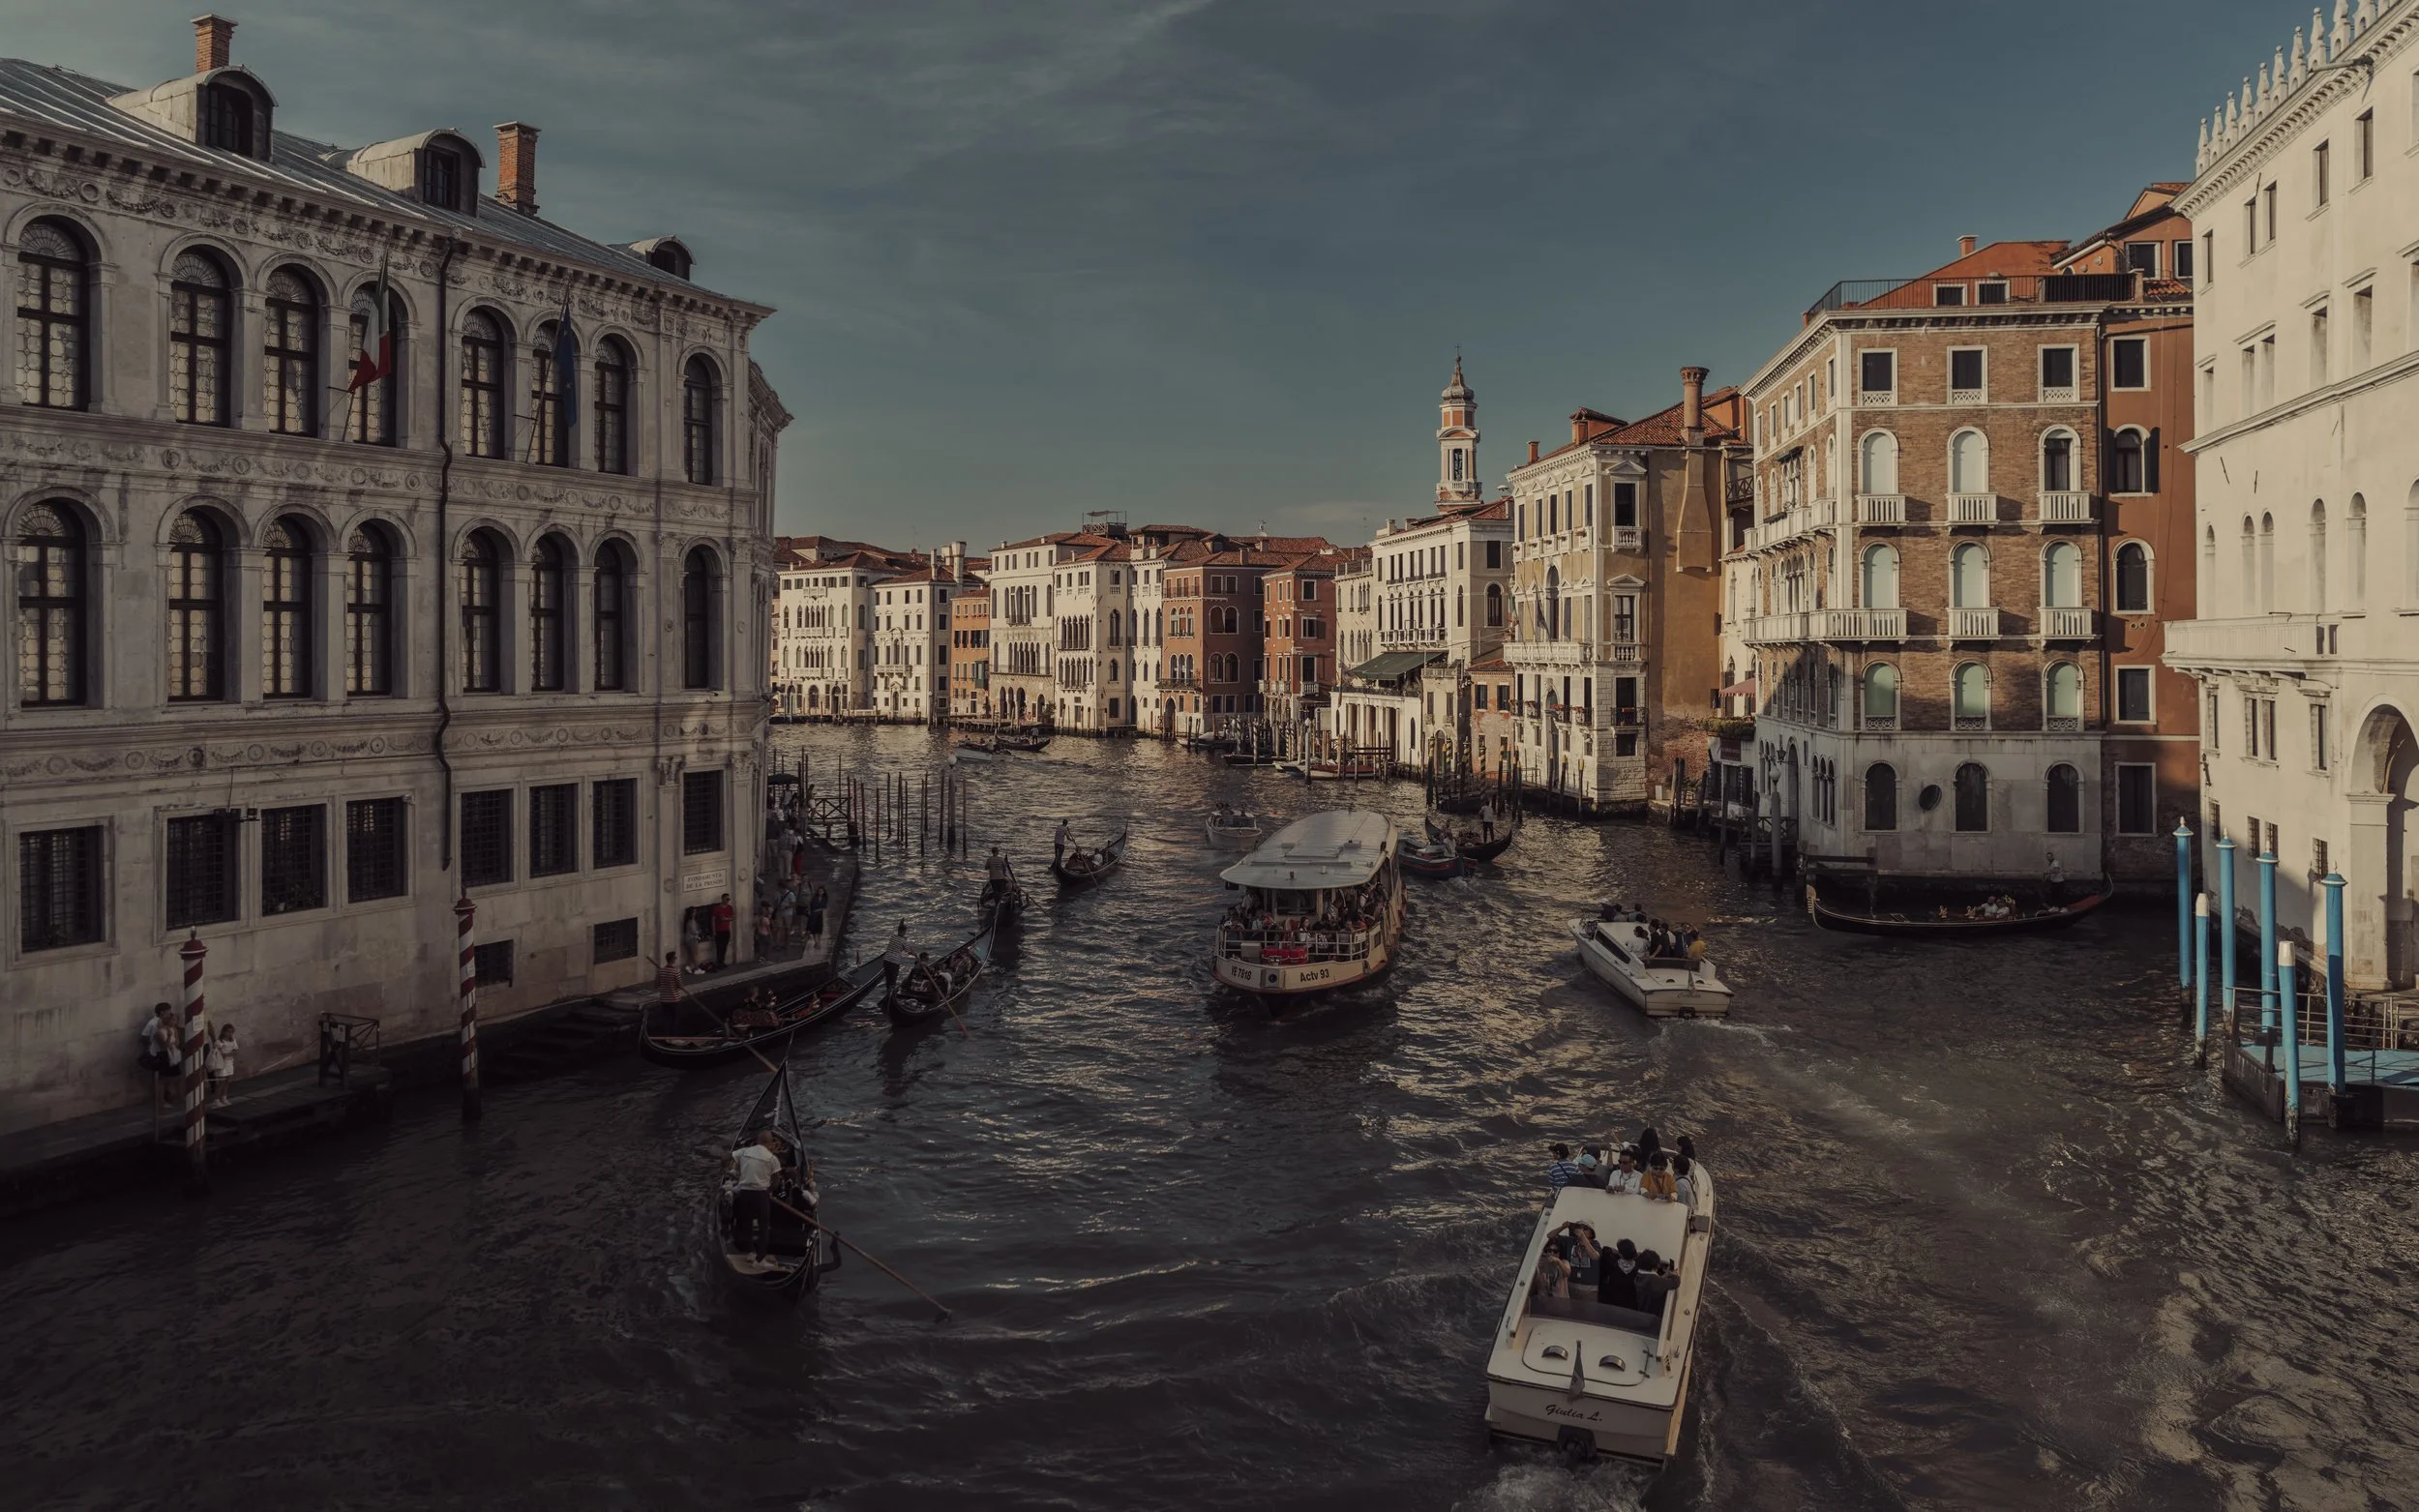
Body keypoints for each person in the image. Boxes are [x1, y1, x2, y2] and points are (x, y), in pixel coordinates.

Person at [729, 1128, 784, 1262]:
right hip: (761, 1195)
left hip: (745, 1193)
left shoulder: (745, 1151)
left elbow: (728, 1156)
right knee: (764, 1226)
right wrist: (769, 1191)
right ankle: (761, 1257)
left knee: (746, 1223)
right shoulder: (772, 1158)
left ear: (757, 1141)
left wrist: (727, 1169)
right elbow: (776, 1180)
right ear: (770, 1144)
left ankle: (750, 1253)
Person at [1597, 1239, 1642, 1310]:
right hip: (1630, 1306)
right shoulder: (1638, 1268)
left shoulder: (1612, 1263)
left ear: (1620, 1253)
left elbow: (1606, 1249)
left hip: (1611, 1303)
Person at [1634, 1251, 1677, 1319]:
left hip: (1640, 1312)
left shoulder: (1639, 1275)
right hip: (1653, 1317)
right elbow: (1675, 1282)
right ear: (1657, 1265)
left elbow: (1655, 1280)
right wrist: (1673, 1274)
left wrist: (1665, 1275)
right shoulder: (1654, 1281)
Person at [205, 1022, 238, 1107]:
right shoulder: (219, 1041)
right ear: (224, 1032)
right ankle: (216, 1100)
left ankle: (224, 1097)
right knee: (221, 1082)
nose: (230, 1033)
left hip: (230, 1062)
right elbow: (218, 1051)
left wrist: (227, 1055)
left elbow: (235, 1051)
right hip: (221, 1064)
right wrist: (224, 1054)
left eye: (231, 1031)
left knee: (227, 1081)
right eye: (228, 1031)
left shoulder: (233, 1040)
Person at [711, 892, 737, 968]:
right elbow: (713, 919)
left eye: (729, 899)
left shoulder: (729, 908)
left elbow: (733, 917)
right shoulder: (717, 908)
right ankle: (719, 962)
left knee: (724, 947)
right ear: (722, 899)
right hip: (719, 931)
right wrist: (713, 931)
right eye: (727, 899)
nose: (728, 900)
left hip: (726, 930)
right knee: (719, 947)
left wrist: (726, 919)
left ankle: (722, 961)